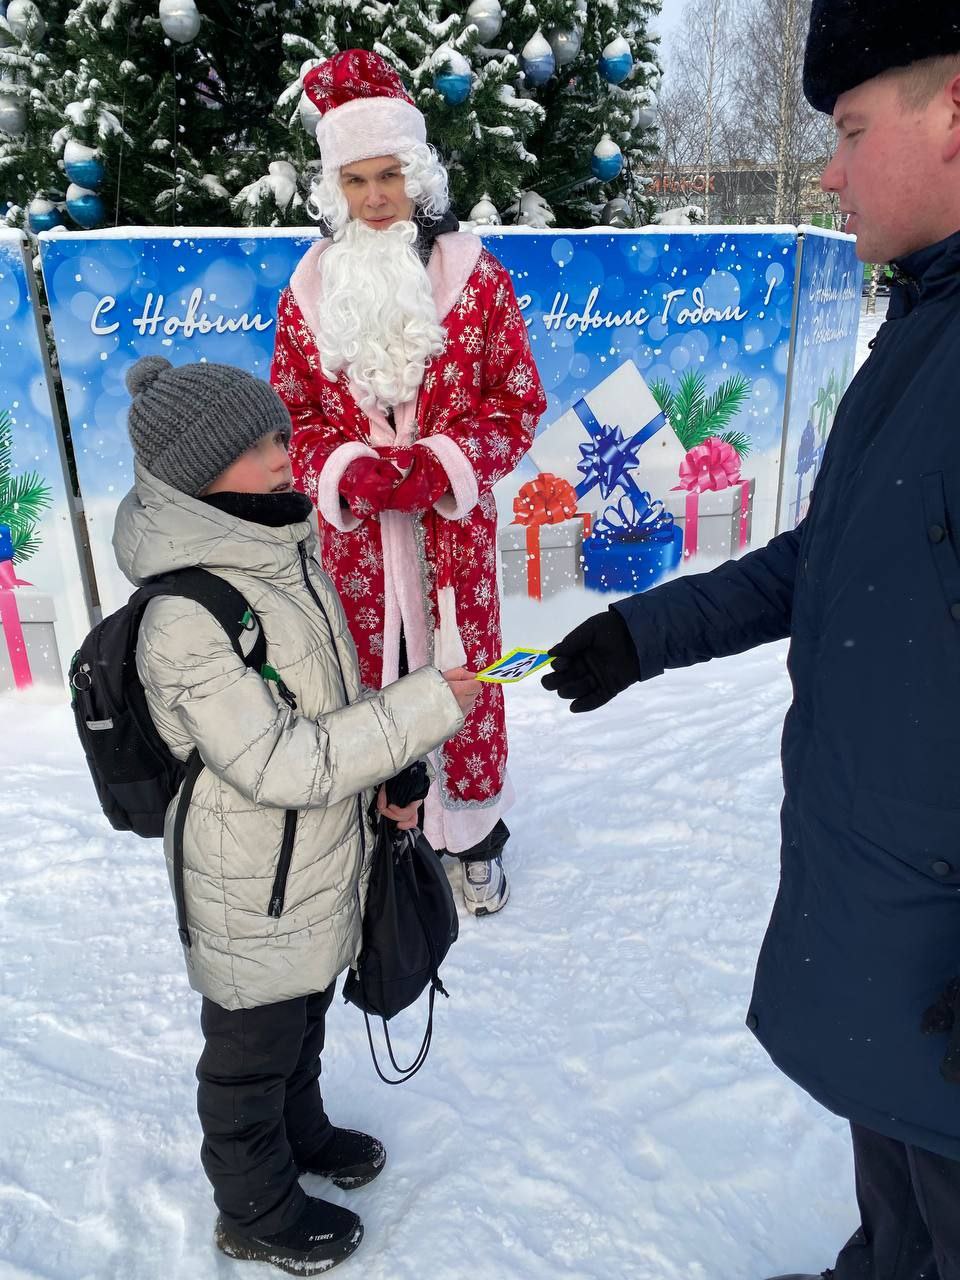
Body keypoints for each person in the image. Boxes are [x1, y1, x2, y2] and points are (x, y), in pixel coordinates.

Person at [543, 4, 960, 1277]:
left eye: (851, 130)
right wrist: (639, 633)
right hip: (894, 912)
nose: (829, 171)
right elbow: (825, 558)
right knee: (898, 1163)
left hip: (941, 939)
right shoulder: (921, 330)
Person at [112, 355, 479, 1275]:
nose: (283, 454)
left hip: (313, 859)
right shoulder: (184, 613)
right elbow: (279, 758)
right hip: (248, 884)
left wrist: (388, 773)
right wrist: (427, 707)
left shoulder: (280, 550)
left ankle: (303, 1133)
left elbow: (328, 704)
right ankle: (254, 1209)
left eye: (279, 434)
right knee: (250, 1056)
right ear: (198, 471)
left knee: (304, 1019)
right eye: (256, 444)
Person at [271, 49, 546, 918]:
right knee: (371, 692)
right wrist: (344, 470)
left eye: (389, 175)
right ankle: (389, 841)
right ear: (334, 188)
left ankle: (474, 838)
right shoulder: (307, 292)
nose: (375, 197)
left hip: (451, 541)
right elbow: (292, 416)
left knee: (463, 688)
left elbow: (518, 401)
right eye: (355, 180)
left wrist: (444, 463)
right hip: (355, 553)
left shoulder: (475, 278)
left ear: (417, 176)